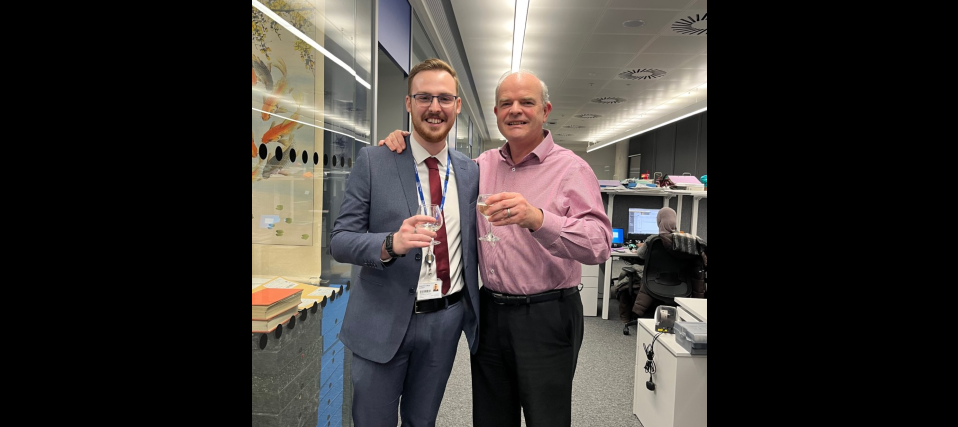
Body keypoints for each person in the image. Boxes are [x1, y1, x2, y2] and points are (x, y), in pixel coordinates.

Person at [379, 69, 612, 427]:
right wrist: (403, 143)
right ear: (496, 112)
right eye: (506, 103)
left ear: (545, 109)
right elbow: (434, 164)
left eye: (526, 102)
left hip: (547, 315)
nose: (515, 110)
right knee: (490, 417)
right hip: (489, 312)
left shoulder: (572, 169)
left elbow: (598, 244)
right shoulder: (479, 166)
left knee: (545, 418)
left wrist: (538, 218)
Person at [329, 58, 481, 427]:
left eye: (444, 98)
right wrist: (390, 243)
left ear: (457, 106)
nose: (434, 107)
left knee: (422, 421)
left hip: (444, 321)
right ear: (409, 103)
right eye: (424, 97)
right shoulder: (375, 161)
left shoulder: (471, 171)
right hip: (381, 319)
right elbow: (340, 241)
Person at [630, 207, 707, 318]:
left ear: (659, 221)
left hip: (655, 281)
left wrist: (643, 247)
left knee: (629, 274)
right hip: (680, 284)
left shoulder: (653, 240)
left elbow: (640, 255)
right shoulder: (687, 241)